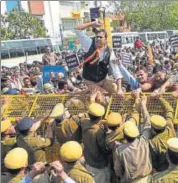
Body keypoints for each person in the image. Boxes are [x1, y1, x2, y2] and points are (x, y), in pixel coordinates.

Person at [75, 21, 124, 103]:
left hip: (103, 80)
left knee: (115, 89)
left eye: (101, 37)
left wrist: (119, 89)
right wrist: (92, 24)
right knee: (100, 97)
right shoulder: (89, 43)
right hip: (89, 80)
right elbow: (77, 30)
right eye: (97, 37)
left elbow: (116, 71)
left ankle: (116, 111)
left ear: (105, 39)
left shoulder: (110, 51)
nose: (98, 39)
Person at [113, 95, 152, 183]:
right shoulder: (144, 141)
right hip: (147, 179)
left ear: (124, 135)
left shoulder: (119, 150)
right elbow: (148, 123)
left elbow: (117, 170)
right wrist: (143, 106)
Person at [80, 102, 110, 183]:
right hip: (99, 164)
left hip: (89, 161)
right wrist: (107, 132)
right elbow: (105, 148)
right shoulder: (98, 131)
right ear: (101, 117)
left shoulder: (84, 123)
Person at [149, 98, 176, 172]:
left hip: (163, 169)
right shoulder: (170, 127)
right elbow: (169, 110)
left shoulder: (153, 142)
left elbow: (154, 162)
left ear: (153, 130)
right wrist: (160, 98)